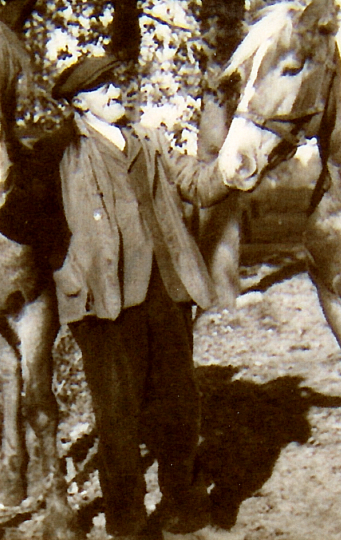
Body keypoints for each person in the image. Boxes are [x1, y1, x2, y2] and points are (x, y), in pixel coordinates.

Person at [50, 54, 232, 539]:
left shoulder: (148, 140)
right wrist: (67, 268)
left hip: (166, 292)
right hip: (105, 303)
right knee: (118, 416)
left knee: (179, 404)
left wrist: (234, 167)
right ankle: (128, 523)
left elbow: (196, 182)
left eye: (114, 82)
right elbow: (26, 217)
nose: (115, 92)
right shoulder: (61, 152)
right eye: (101, 87)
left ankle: (184, 505)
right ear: (77, 104)